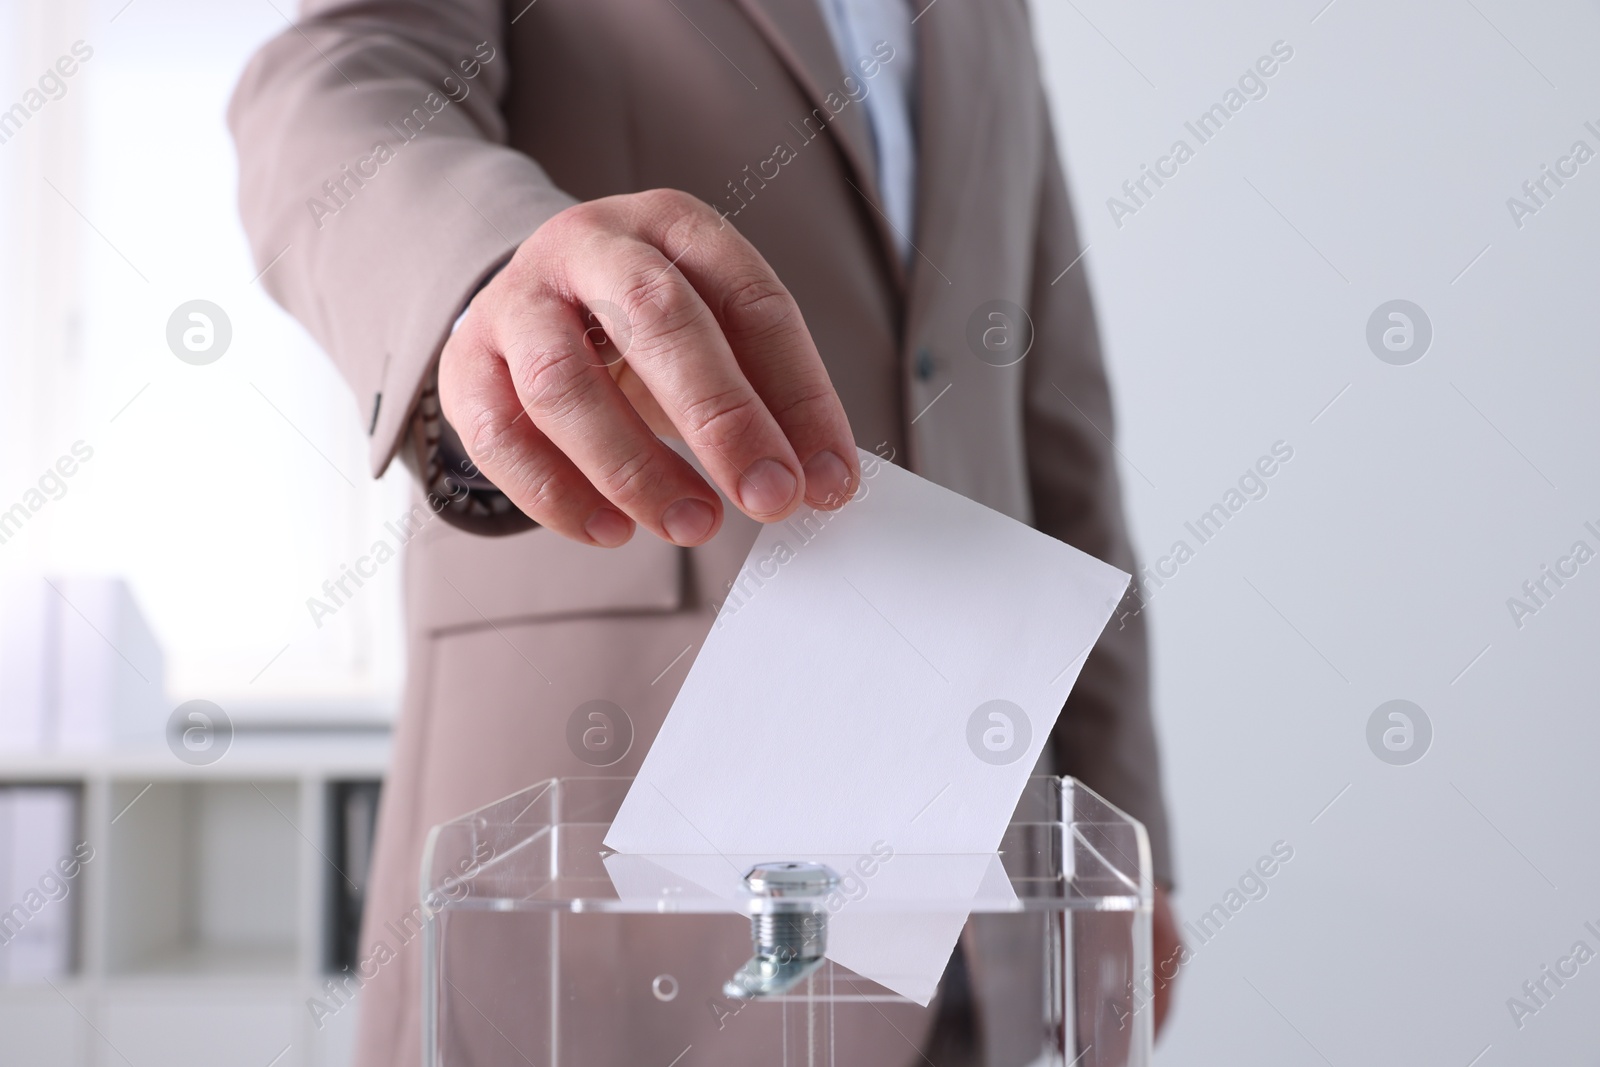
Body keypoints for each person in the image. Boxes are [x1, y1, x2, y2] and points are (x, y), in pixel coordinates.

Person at [230, 1, 1181, 1062]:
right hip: (609, 830)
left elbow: (1056, 439)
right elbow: (333, 70)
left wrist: (1130, 833)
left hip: (983, 869)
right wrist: (486, 270)